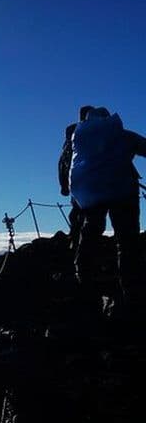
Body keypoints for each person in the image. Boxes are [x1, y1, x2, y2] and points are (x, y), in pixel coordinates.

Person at [69, 106, 146, 303]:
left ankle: (83, 276)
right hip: (123, 191)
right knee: (127, 240)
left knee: (90, 232)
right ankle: (131, 289)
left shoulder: (81, 140)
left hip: (91, 194)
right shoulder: (121, 136)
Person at [58, 106, 95, 248]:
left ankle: (76, 244)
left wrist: (64, 185)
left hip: (78, 183)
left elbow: (63, 162)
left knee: (78, 214)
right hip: (98, 182)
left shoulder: (74, 134)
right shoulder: (100, 133)